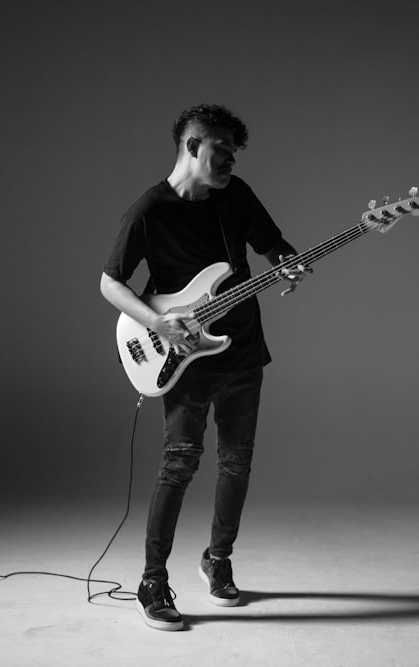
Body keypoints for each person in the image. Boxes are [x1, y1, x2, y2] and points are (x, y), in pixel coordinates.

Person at [100, 103, 310, 631]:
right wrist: (158, 321)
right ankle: (152, 580)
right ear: (193, 147)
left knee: (237, 463)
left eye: (234, 154)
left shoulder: (234, 196)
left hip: (242, 351)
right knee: (180, 463)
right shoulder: (149, 210)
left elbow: (270, 243)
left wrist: (287, 260)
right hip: (183, 356)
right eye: (221, 151)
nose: (230, 163)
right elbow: (110, 282)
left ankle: (218, 560)